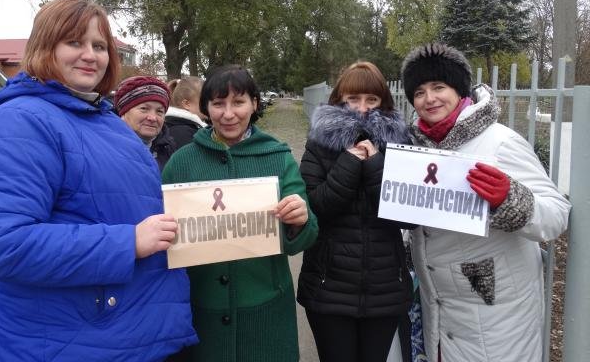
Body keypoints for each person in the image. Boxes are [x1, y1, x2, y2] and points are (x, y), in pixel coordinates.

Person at [0, 0, 198, 361]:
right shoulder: (20, 121)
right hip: (75, 343)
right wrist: (128, 242)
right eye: (74, 42)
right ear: (45, 46)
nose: (90, 55)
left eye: (99, 46)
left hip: (136, 334)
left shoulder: (103, 119)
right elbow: (0, 244)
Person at [400, 42, 570, 362]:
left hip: (498, 310)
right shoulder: (416, 149)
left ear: (460, 91)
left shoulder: (499, 142)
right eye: (419, 91)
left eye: (439, 86)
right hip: (441, 307)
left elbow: (556, 214)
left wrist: (510, 200)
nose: (429, 98)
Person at [162, 64, 319, 362]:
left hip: (265, 313)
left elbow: (305, 236)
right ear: (206, 108)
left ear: (254, 104)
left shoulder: (277, 156)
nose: (229, 113)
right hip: (203, 310)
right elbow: (164, 233)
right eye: (218, 103)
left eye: (238, 102)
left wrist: (299, 220)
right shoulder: (182, 163)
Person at [297, 61, 414, 362]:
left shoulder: (400, 145)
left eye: (372, 100)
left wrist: (375, 166)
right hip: (329, 288)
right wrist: (349, 164)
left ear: (383, 103)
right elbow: (316, 208)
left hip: (384, 288)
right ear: (339, 100)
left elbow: (407, 216)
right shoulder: (319, 144)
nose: (362, 109)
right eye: (353, 99)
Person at [114, 75, 176, 171]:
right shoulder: (106, 150)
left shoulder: (169, 150)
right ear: (124, 111)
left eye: (159, 111)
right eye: (144, 109)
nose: (153, 118)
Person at [160, 76, 207, 148]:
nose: (209, 104)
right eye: (205, 100)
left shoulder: (173, 127)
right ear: (186, 104)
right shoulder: (183, 134)